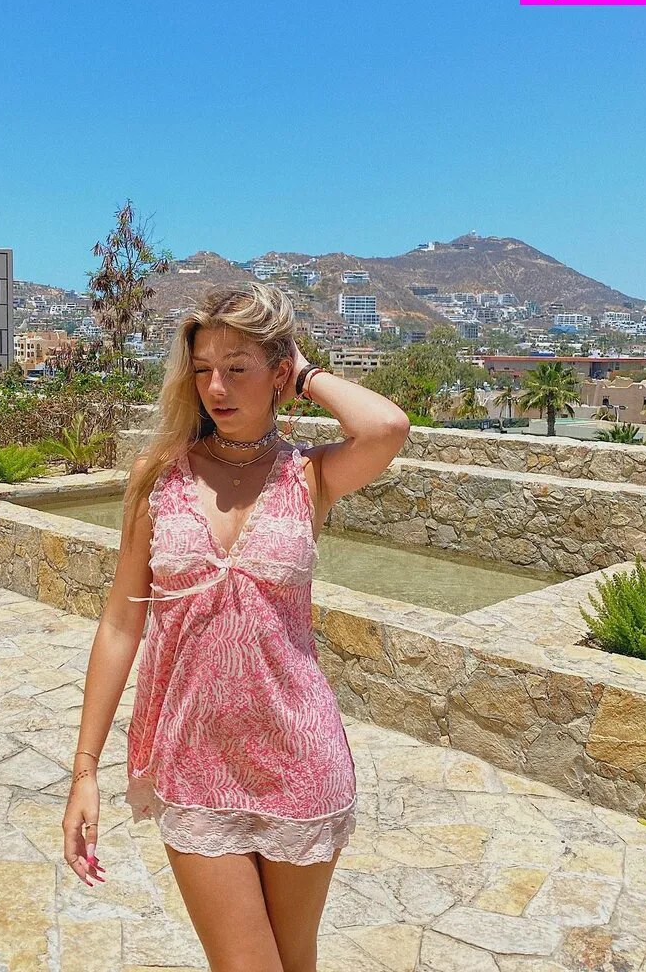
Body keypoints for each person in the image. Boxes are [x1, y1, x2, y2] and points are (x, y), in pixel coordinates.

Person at [62, 283, 410, 972]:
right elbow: (121, 624)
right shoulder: (157, 477)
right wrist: (84, 770)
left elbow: (386, 427)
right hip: (193, 757)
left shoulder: (309, 474)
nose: (215, 387)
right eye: (201, 369)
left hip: (299, 757)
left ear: (278, 372)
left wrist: (306, 374)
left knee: (295, 962)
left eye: (237, 367)